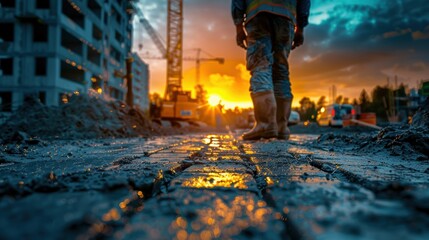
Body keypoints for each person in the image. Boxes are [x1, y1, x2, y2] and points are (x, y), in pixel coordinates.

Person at [231, 0, 311, 140]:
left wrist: (238, 25)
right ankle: (281, 127)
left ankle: (265, 124)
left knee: (260, 65)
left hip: (258, 13)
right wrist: (301, 28)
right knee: (281, 71)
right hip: (286, 16)